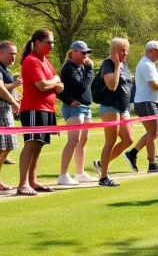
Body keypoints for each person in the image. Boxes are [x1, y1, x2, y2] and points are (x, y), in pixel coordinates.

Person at [17, 29, 63, 196]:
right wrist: (55, 82)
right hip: (33, 108)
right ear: (37, 43)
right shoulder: (32, 61)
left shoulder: (45, 60)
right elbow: (42, 85)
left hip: (47, 108)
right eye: (48, 42)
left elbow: (58, 81)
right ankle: (23, 184)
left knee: (39, 145)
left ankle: (32, 181)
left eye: (52, 43)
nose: (51, 46)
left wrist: (56, 82)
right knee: (31, 143)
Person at [124, 41, 158, 174]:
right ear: (151, 51)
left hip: (149, 101)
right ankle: (152, 164)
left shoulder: (150, 63)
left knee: (157, 131)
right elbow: (155, 85)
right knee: (153, 133)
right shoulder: (146, 64)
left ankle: (132, 153)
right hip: (146, 102)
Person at [92, 38, 133, 187]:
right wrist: (116, 65)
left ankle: (101, 163)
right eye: (122, 50)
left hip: (123, 108)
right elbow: (112, 86)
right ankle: (103, 177)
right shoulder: (108, 64)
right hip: (110, 107)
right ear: (114, 51)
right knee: (110, 142)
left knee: (128, 139)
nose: (126, 53)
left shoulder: (124, 64)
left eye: (126, 50)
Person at [57, 41, 98, 185]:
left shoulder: (80, 67)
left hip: (85, 107)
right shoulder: (69, 68)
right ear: (73, 52)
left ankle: (80, 173)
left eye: (87, 53)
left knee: (82, 141)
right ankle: (63, 175)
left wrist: (86, 70)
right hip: (74, 108)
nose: (86, 55)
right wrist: (89, 70)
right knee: (73, 140)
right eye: (83, 53)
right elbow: (81, 86)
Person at [0, 41, 21, 191]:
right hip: (1, 110)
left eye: (15, 53)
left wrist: (17, 99)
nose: (14, 56)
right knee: (2, 147)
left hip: (5, 109)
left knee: (6, 147)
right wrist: (14, 101)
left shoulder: (5, 69)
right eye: (11, 53)